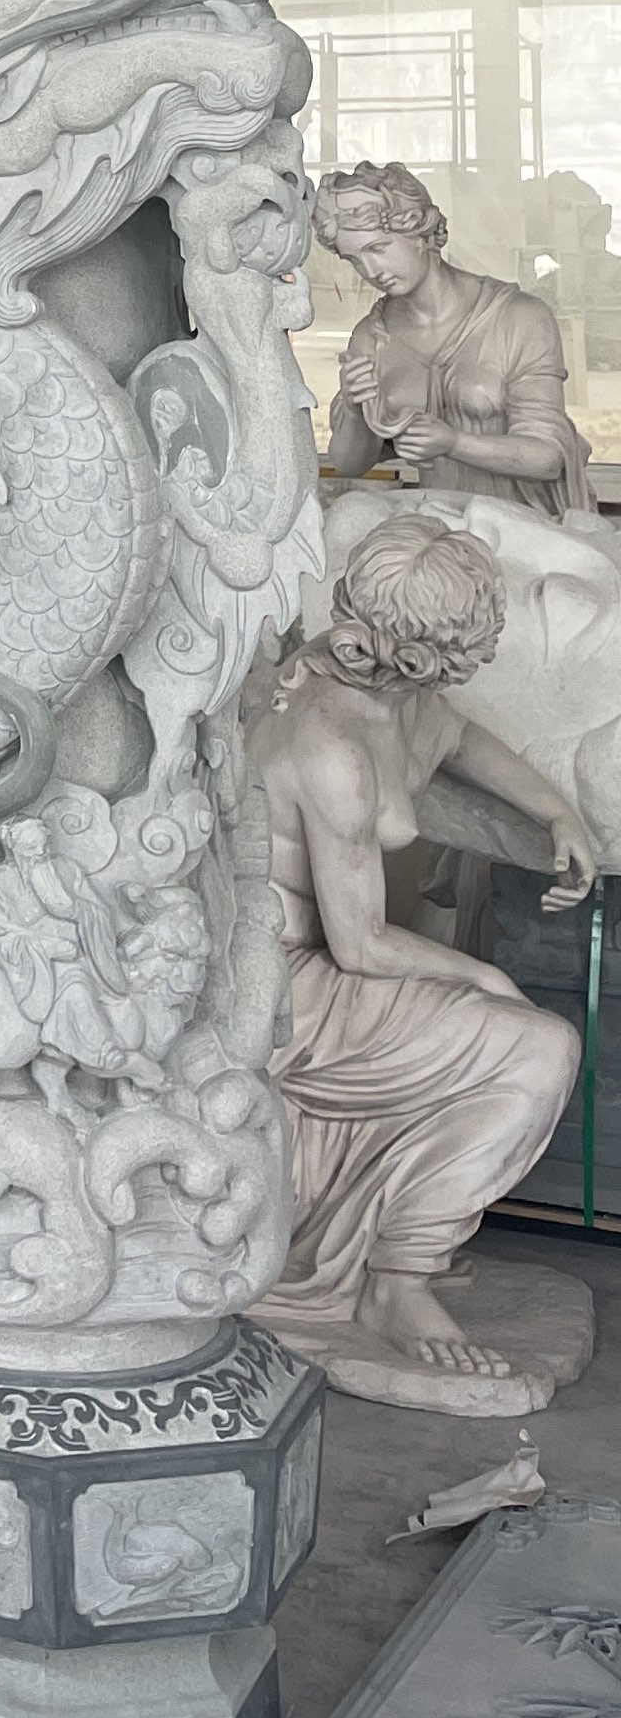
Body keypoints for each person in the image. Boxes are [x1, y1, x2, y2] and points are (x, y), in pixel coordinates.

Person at [251, 507, 590, 1387]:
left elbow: (457, 735)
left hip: (327, 966)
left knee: (511, 1033)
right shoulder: (329, 743)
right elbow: (361, 945)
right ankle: (397, 1280)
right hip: (282, 990)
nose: (486, 656)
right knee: (538, 1051)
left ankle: (399, 1232)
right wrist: (484, 976)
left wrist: (556, 810)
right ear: (424, 650)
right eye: (475, 643)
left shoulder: (390, 693)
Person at [315, 160, 597, 516]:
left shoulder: (519, 318)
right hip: (442, 518)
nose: (370, 271)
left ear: (419, 233)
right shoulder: (372, 336)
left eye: (378, 248)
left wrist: (453, 443)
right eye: (354, 260)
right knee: (349, 516)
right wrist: (355, 408)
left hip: (525, 521)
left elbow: (548, 458)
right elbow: (349, 464)